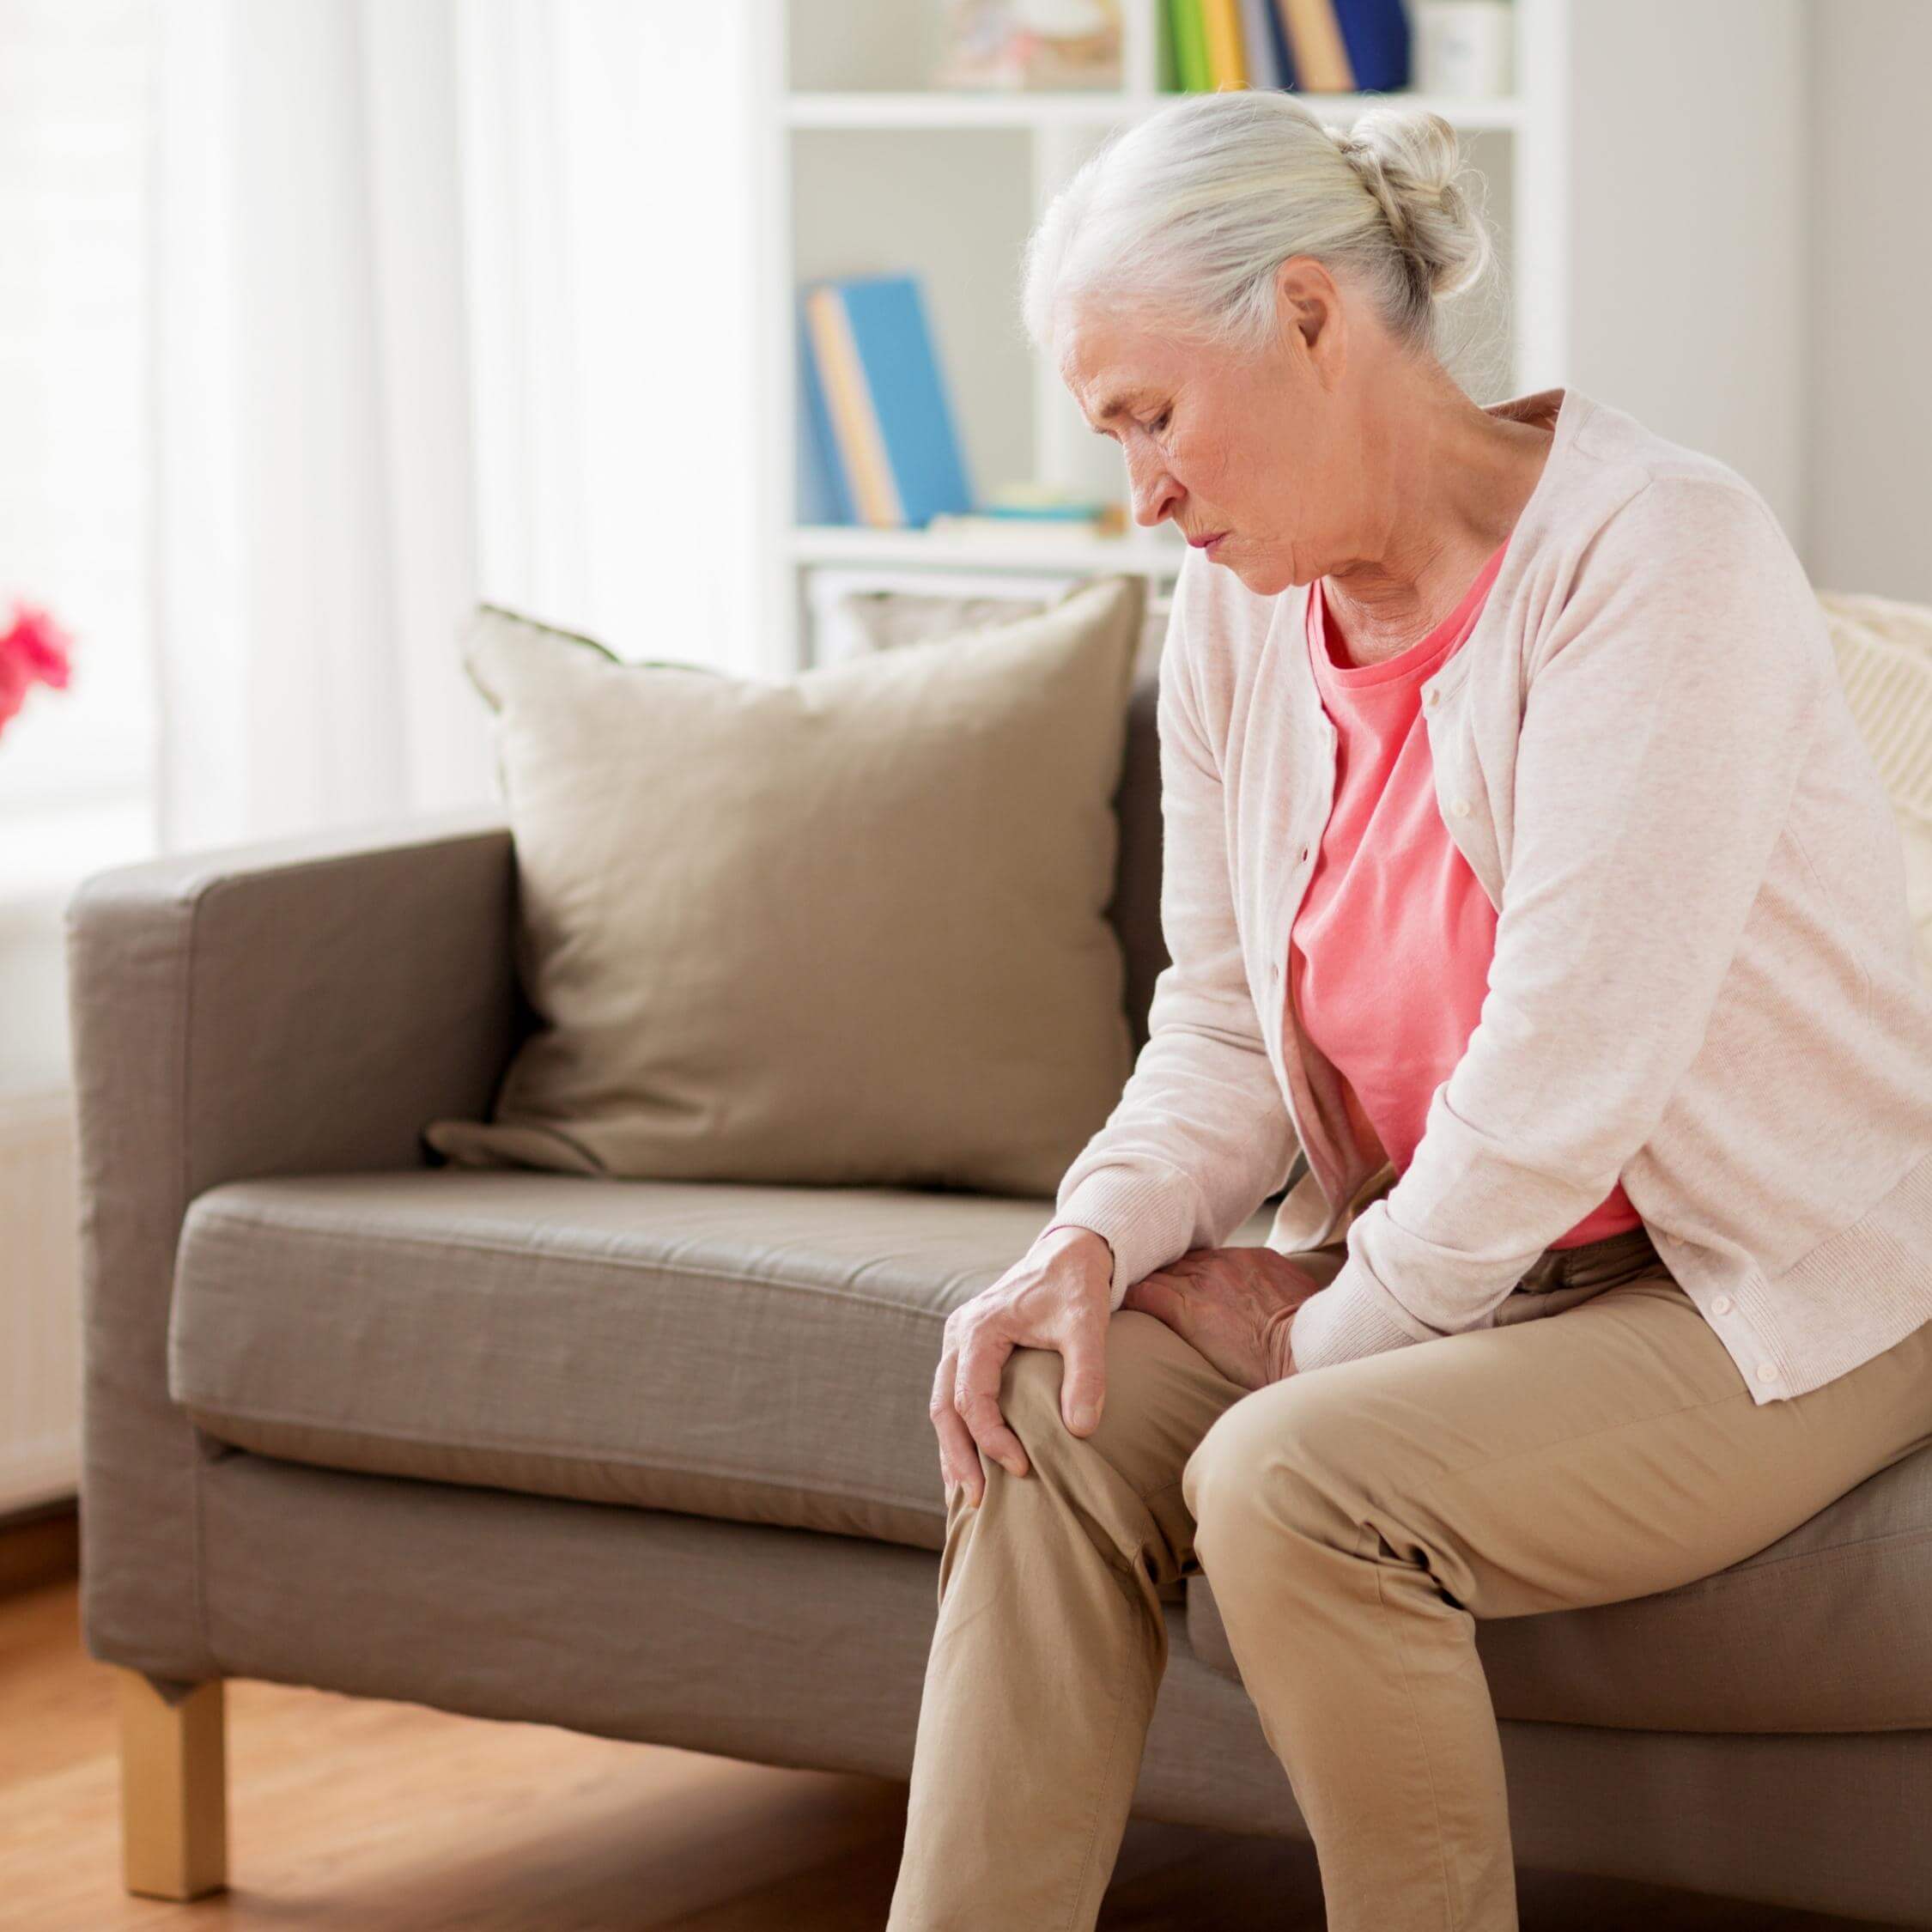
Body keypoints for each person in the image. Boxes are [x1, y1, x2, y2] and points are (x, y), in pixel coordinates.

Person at [886, 86, 1932, 1932]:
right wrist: (1092, 1236)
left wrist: (1323, 1335)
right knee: (1047, 1393)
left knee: (1298, 1481)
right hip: (1487, 1266)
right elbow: (1217, 1023)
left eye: (1151, 418)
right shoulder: (1238, 607)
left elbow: (1563, 1076)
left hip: (1770, 1277)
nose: (1142, 496)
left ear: (1307, 317)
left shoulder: (1656, 555)